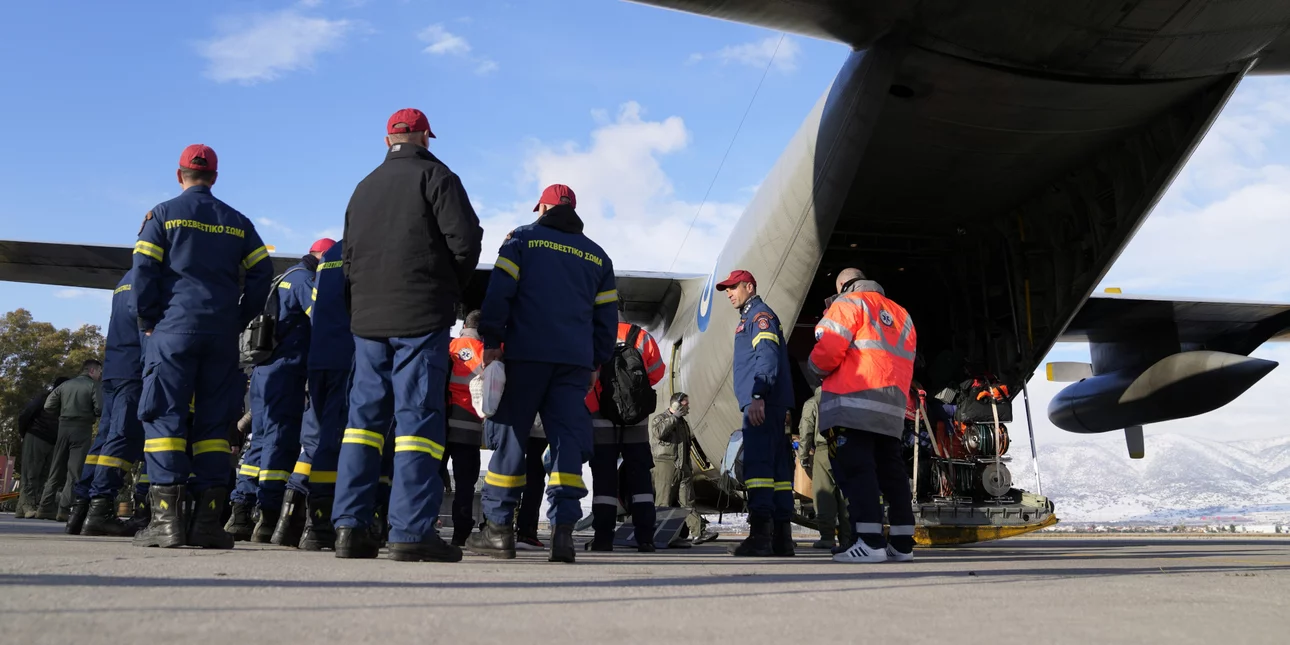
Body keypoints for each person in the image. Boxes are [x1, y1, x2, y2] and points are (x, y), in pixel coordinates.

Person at [333, 108, 483, 563]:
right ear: (425, 138)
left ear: (387, 141)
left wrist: (357, 308)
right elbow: (466, 243)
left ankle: (350, 529)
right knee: (417, 422)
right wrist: (447, 292)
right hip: (419, 317)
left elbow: (348, 255)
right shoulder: (437, 178)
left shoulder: (363, 188)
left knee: (362, 426)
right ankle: (410, 531)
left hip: (367, 321)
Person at [130, 143, 274, 549]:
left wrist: (148, 320)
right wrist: (242, 317)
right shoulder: (238, 221)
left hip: (172, 331)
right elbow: (263, 271)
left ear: (180, 175)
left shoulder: (162, 214)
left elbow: (143, 270)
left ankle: (166, 523)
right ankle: (208, 523)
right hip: (221, 334)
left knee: (163, 420)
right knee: (214, 427)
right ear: (214, 178)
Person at [468, 183, 616, 563]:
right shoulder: (598, 257)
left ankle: (499, 530)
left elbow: (499, 293)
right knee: (567, 442)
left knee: (513, 437)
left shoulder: (522, 239)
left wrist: (493, 341)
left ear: (544, 207)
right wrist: (596, 362)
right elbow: (606, 320)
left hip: (525, 355)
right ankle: (563, 533)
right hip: (574, 363)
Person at [809, 267, 918, 563]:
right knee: (892, 475)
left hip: (854, 405)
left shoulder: (847, 304)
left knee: (858, 473)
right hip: (892, 409)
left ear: (843, 285)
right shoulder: (902, 314)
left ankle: (870, 542)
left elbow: (828, 350)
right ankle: (902, 544)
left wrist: (814, 368)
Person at [276, 239, 351, 551]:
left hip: (316, 359)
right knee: (332, 442)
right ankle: (318, 526)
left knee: (312, 443)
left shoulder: (324, 264)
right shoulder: (359, 252)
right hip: (345, 357)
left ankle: (286, 524)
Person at [715, 269, 796, 557]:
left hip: (761, 402)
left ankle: (761, 536)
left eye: (733, 287)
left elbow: (767, 355)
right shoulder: (754, 317)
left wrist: (759, 394)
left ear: (749, 286)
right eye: (726, 289)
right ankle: (782, 539)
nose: (729, 293)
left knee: (759, 468)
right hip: (771, 403)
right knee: (779, 470)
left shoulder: (759, 316)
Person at [258, 237, 333, 546]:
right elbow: (322, 317)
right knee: (282, 438)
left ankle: (250, 512)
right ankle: (272, 514)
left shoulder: (283, 276)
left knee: (262, 439)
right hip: (287, 367)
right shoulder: (304, 280)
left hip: (266, 367)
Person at [78, 269, 150, 537]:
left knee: (104, 439)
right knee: (122, 437)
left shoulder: (125, 279)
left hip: (114, 369)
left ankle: (80, 509)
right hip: (134, 369)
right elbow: (148, 327)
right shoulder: (152, 275)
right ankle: (100, 511)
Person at [585, 319, 665, 552]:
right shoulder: (641, 337)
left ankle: (603, 538)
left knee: (604, 481)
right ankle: (645, 538)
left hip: (601, 418)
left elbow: (583, 374)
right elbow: (658, 372)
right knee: (640, 480)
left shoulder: (592, 333)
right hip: (635, 420)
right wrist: (631, 397)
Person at [36, 360, 102, 522]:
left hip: (63, 427)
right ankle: (64, 510)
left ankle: (44, 507)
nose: (100, 375)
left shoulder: (65, 385)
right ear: (92, 370)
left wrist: (63, 413)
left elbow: (48, 405)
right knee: (74, 471)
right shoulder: (93, 386)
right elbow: (100, 408)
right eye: (100, 372)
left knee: (56, 469)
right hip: (82, 429)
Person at [650, 392, 718, 545]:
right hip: (666, 465)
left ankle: (698, 532)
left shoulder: (683, 424)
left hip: (683, 466)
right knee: (664, 501)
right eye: (685, 404)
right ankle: (660, 535)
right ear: (676, 405)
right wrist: (673, 418)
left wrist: (687, 467)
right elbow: (659, 433)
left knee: (687, 501)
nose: (687, 407)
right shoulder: (661, 419)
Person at [444, 309, 485, 547]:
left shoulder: (449, 347)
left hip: (442, 424)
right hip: (469, 428)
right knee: (465, 483)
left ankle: (424, 524)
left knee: (433, 475)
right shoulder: (487, 352)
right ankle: (460, 532)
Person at [797, 386, 850, 550]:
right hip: (846, 449)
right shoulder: (846, 399)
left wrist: (803, 457)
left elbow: (805, 430)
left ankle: (827, 537)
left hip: (824, 450)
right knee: (846, 496)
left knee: (824, 495)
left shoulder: (813, 403)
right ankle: (847, 538)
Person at [14, 378, 68, 518]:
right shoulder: (44, 398)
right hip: (36, 436)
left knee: (44, 475)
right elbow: (25, 415)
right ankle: (28, 507)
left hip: (52, 441)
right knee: (31, 473)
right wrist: (24, 433)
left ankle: (22, 508)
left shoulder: (65, 404)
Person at [515, 415, 549, 550]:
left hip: (523, 427)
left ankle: (503, 528)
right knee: (535, 481)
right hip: (545, 430)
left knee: (525, 479)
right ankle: (527, 532)